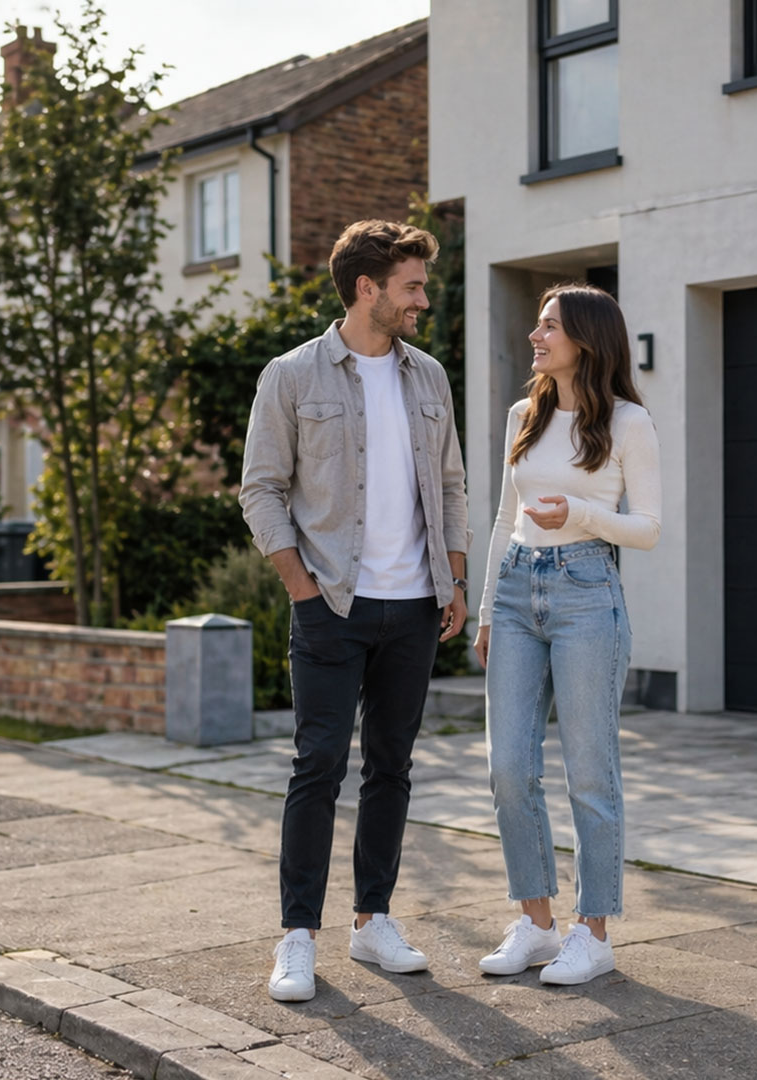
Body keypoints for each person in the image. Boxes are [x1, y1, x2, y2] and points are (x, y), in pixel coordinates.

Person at [239, 220, 471, 1003]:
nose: (424, 300)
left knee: (394, 767)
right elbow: (260, 488)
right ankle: (297, 936)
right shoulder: (294, 375)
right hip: (331, 601)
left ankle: (373, 920)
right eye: (412, 285)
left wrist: (456, 579)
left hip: (414, 605)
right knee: (318, 764)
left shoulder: (429, 377)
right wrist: (299, 585)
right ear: (367, 287)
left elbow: (449, 484)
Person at [472, 283, 661, 986]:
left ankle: (595, 933)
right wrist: (489, 610)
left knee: (590, 772)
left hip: (588, 593)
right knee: (508, 769)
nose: (535, 335)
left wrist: (580, 513)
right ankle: (537, 924)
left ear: (585, 337)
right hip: (519, 590)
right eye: (537, 324)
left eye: (548, 325)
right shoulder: (525, 413)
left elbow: (647, 528)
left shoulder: (628, 422)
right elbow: (501, 519)